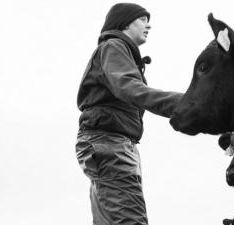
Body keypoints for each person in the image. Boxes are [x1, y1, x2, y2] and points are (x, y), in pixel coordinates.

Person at [75, 3, 183, 225]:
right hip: (109, 144)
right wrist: (187, 105)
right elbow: (129, 88)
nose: (148, 25)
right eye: (142, 19)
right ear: (124, 22)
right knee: (130, 220)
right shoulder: (114, 47)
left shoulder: (116, 50)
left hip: (107, 145)